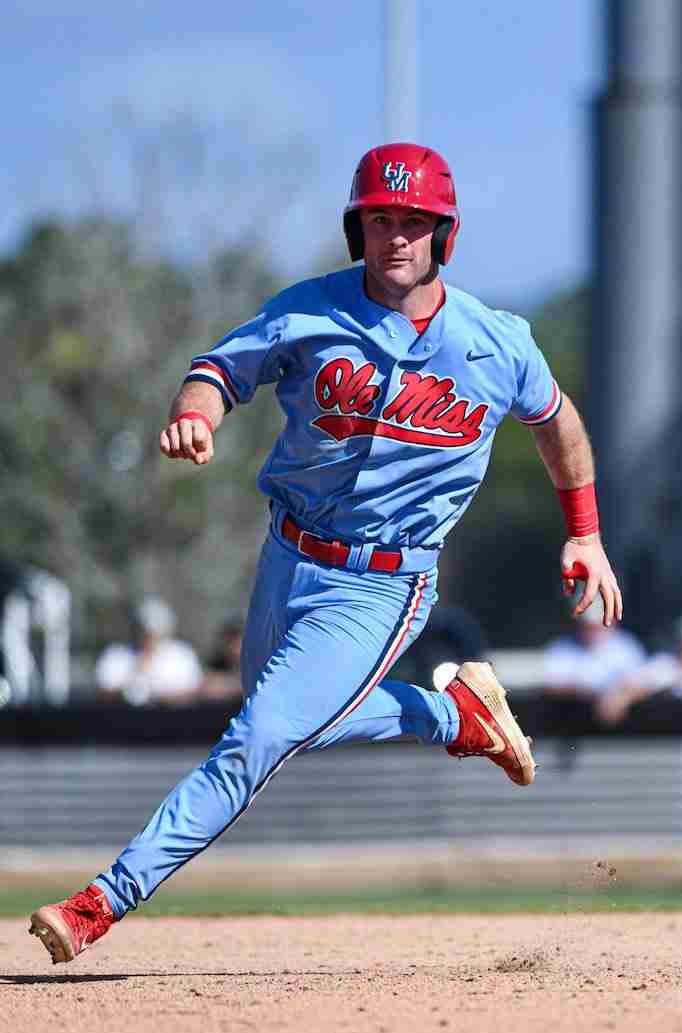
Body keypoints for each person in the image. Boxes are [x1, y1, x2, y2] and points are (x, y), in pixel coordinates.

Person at [28, 143, 622, 965]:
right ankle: (455, 715)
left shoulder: (497, 343)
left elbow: (557, 423)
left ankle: (103, 900)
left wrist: (585, 531)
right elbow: (216, 370)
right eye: (382, 219)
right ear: (359, 227)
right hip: (289, 555)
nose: (398, 238)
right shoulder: (307, 311)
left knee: (261, 734)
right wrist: (195, 411)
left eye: (416, 222)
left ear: (443, 233)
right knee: (280, 717)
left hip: (383, 582)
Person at [94, 597, 203, 706]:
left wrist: (158, 696)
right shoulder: (116, 655)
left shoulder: (182, 655)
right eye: (144, 631)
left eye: (154, 632)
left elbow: (194, 692)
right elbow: (103, 692)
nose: (149, 637)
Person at [543, 598, 647, 706]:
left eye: (600, 622)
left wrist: (620, 696)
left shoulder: (627, 647)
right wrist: (596, 693)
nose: (594, 628)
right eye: (588, 624)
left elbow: (642, 683)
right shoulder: (561, 650)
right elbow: (551, 684)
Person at [199, 618, 245, 701]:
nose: (234, 647)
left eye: (238, 641)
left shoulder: (254, 665)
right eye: (230, 641)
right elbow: (207, 685)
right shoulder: (216, 663)